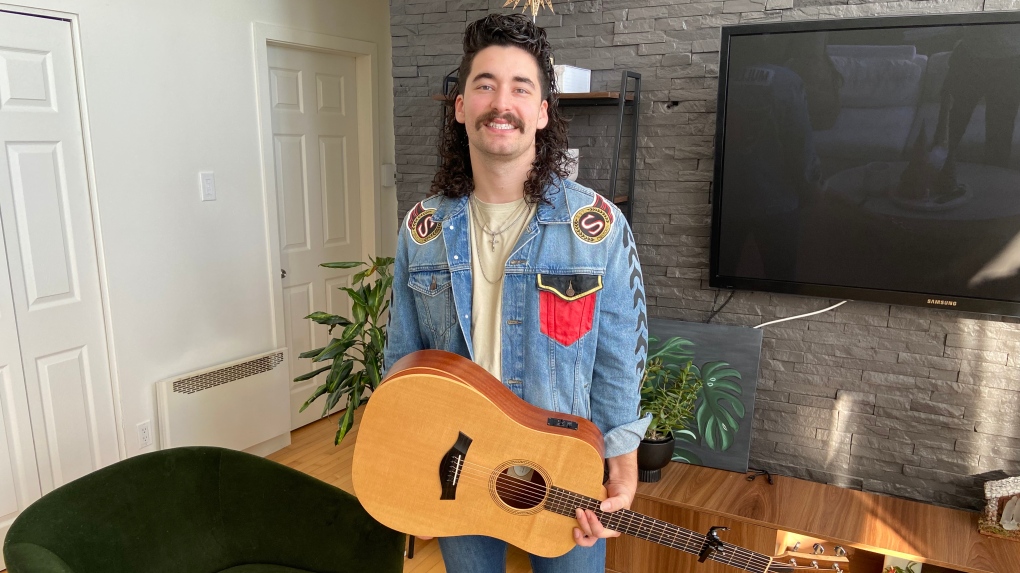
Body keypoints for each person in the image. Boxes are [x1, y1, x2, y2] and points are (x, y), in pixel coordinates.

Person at [383, 13, 649, 573]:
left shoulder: (594, 227)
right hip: (457, 470)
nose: (500, 102)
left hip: (565, 472)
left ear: (542, 112)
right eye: (484, 84)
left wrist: (622, 462)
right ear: (460, 107)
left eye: (520, 87)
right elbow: (402, 362)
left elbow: (619, 357)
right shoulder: (421, 229)